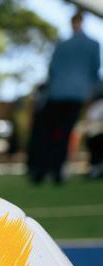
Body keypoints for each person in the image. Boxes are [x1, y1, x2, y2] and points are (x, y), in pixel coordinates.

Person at [33, 11, 101, 184]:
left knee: (53, 133)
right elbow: (94, 72)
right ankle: (55, 170)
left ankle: (45, 170)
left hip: (58, 94)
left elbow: (52, 70)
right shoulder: (91, 44)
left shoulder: (63, 44)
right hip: (73, 95)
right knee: (62, 133)